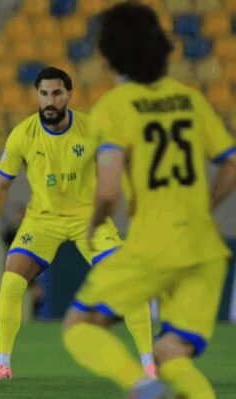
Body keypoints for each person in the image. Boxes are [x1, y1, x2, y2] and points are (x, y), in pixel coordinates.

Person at [61, 3, 236, 398]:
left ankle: (140, 386)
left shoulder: (114, 108)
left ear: (108, 56)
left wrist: (94, 223)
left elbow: (108, 190)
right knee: (171, 350)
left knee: (81, 325)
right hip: (205, 247)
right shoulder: (189, 99)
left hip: (153, 243)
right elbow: (231, 165)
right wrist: (203, 206)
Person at [0, 67, 155, 380]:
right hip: (42, 221)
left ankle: (149, 364)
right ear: (37, 95)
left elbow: (123, 165)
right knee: (12, 281)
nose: (49, 100)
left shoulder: (93, 128)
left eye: (56, 93)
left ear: (69, 95)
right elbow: (0, 187)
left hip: (89, 220)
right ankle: (2, 364)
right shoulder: (23, 134)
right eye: (44, 93)